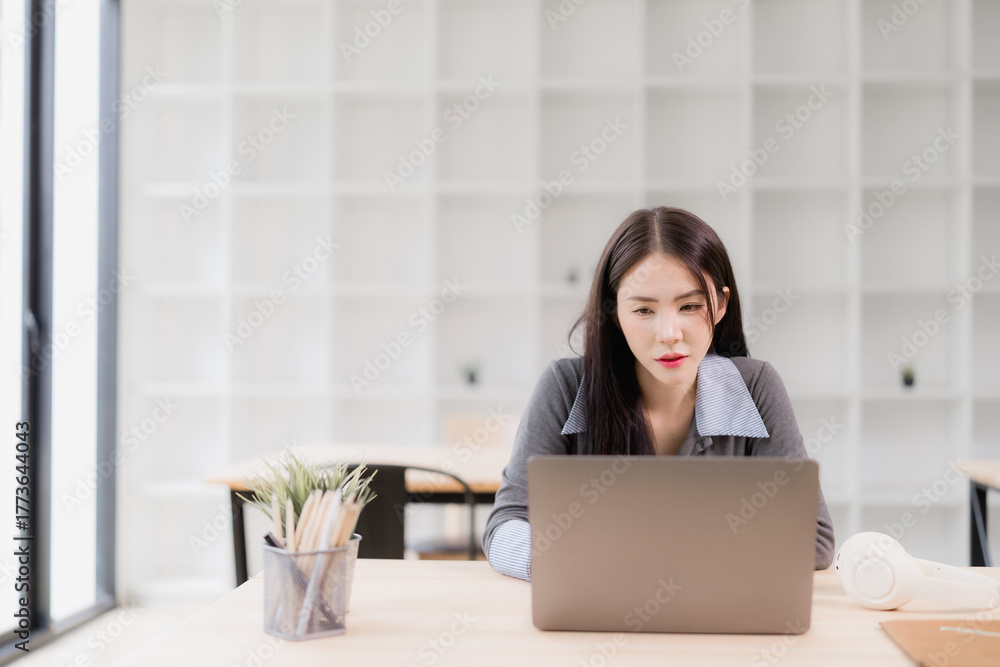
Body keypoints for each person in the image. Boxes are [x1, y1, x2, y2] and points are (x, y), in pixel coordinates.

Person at [482, 206, 836, 581]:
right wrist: (566, 566)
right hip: (597, 615)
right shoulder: (566, 387)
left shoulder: (756, 386)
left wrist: (640, 557)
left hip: (715, 621)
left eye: (689, 306)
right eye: (644, 310)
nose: (669, 333)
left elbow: (813, 540)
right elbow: (506, 524)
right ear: (615, 312)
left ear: (720, 305)